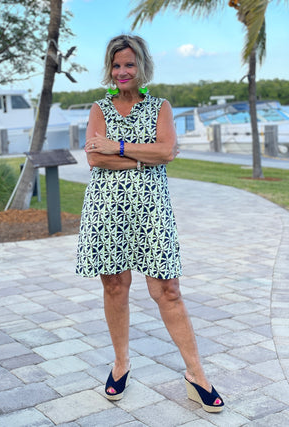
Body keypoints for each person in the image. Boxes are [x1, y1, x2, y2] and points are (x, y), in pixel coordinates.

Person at [75, 34, 224, 413]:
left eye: (129, 64)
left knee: (167, 290)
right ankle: (121, 363)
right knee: (114, 285)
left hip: (151, 211)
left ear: (142, 66)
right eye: (116, 64)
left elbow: (167, 151)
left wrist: (120, 148)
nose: (122, 71)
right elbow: (94, 160)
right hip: (106, 210)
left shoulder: (161, 106)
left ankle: (196, 374)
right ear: (109, 68)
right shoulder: (99, 108)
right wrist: (145, 159)